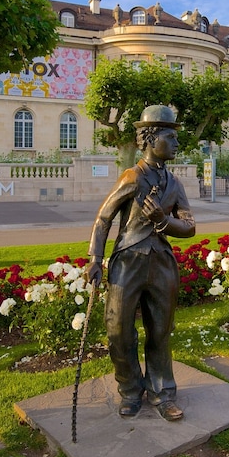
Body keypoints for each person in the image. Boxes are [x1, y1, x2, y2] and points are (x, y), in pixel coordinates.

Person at [85, 105, 196, 421]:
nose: (176, 143)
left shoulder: (175, 184)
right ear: (150, 138)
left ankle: (163, 394)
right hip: (128, 263)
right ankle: (131, 391)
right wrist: (95, 258)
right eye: (170, 137)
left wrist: (164, 221)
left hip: (161, 263)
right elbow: (104, 218)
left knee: (160, 331)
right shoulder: (132, 177)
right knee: (119, 330)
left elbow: (189, 226)